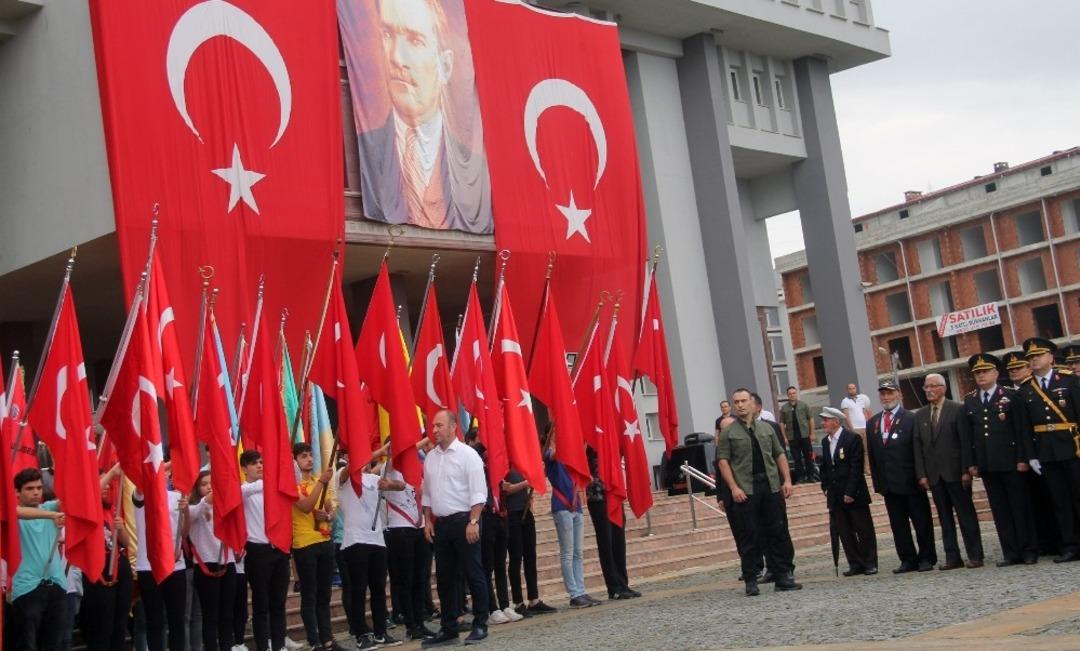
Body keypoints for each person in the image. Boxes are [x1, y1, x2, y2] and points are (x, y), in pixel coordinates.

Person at [358, 0, 492, 232]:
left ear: (446, 65)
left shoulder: (476, 172)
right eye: (387, 35)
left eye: (415, 41)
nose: (397, 58)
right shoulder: (365, 146)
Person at [716, 388, 800, 596]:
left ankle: (783, 576)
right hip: (746, 489)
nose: (740, 405)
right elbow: (723, 461)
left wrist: (787, 480)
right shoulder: (728, 432)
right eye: (737, 402)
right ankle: (751, 579)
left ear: (753, 403)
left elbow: (779, 454)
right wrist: (733, 487)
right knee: (749, 535)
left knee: (778, 532)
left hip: (770, 487)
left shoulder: (767, 428)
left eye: (744, 401)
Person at [421, 409, 490, 646]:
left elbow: (479, 491)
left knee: (473, 573)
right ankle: (449, 628)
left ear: (453, 427)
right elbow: (428, 494)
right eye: (433, 426)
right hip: (442, 525)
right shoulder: (430, 458)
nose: (435, 430)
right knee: (444, 578)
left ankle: (481, 624)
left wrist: (473, 521)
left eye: (439, 425)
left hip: (464, 521)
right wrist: (428, 520)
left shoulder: (468, 455)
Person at [963, 354, 1038, 566]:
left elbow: (1021, 430)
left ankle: (1028, 550)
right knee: (1000, 510)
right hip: (987, 464)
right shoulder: (970, 400)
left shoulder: (1010, 396)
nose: (981, 376)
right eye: (977, 373)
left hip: (1012, 462)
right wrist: (972, 463)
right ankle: (1010, 552)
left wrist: (1023, 457)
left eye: (985, 371)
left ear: (996, 373)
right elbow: (969, 436)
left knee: (1020, 507)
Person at [1014, 337, 1080, 563]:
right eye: (1030, 357)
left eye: (1038, 356)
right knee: (1059, 501)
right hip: (1045, 451)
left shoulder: (1070, 381)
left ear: (1051, 357)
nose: (1034, 360)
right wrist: (1030, 455)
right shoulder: (1025, 390)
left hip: (1072, 447)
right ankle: (1070, 545)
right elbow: (1024, 428)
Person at [915, 373, 984, 569]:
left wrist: (965, 470)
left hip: (956, 473)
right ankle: (952, 557)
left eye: (933, 386)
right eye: (926, 387)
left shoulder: (957, 409)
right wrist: (922, 474)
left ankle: (975, 555)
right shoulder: (920, 415)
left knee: (966, 516)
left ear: (943, 388)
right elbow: (918, 446)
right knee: (945, 519)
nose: (929, 390)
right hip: (935, 475)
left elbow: (964, 441)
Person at [866, 380, 936, 573]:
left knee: (921, 522)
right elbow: (873, 456)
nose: (886, 397)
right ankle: (907, 559)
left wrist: (922, 476)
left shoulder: (911, 418)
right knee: (898, 526)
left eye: (890, 393)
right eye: (883, 394)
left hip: (911, 481)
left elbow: (920, 450)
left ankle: (926, 558)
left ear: (898, 394)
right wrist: (878, 483)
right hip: (889, 484)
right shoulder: (873, 422)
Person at [337, 447, 402, 650]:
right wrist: (380, 450)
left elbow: (401, 486)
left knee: (379, 589)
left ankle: (381, 632)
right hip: (355, 541)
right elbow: (352, 467)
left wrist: (389, 483)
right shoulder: (344, 477)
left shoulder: (373, 479)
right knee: (358, 590)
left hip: (377, 540)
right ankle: (360, 633)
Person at [1003, 349, 1063, 556]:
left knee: (1054, 498)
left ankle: (1060, 540)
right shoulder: (1013, 394)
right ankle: (1043, 541)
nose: (1014, 371)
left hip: (1049, 451)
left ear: (1029, 368)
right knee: (1033, 503)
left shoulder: (1039, 388)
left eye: (1019, 367)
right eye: (1010, 369)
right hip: (1025, 456)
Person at [10, 468, 68, 650]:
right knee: (26, 645)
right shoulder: (12, 513)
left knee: (53, 645)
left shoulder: (48, 507)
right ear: (17, 492)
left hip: (56, 586)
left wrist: (113, 473)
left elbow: (85, 494)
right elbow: (16, 513)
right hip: (27, 589)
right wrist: (52, 516)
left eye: (39, 487)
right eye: (29, 488)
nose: (36, 492)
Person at [541, 429, 600, 609]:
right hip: (561, 506)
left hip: (576, 504)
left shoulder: (570, 453)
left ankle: (581, 590)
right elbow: (554, 455)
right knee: (567, 552)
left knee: (578, 552)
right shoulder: (548, 453)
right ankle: (574, 594)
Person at [289, 443, 340, 651]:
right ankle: (314, 640)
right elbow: (306, 505)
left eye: (310, 455)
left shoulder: (317, 481)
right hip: (304, 544)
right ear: (295, 461)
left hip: (324, 540)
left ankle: (327, 639)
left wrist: (327, 515)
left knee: (324, 594)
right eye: (303, 456)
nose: (309, 459)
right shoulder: (292, 484)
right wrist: (322, 481)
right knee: (310, 594)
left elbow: (331, 510)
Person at [240, 450, 290, 651]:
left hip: (278, 548)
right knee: (262, 603)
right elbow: (240, 493)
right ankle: (263, 646)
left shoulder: (271, 487)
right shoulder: (243, 489)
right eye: (254, 463)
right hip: (257, 550)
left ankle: (279, 645)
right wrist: (271, 480)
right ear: (244, 468)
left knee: (278, 602)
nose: (259, 466)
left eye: (261, 462)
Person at [80, 465, 134, 651]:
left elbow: (126, 543)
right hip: (98, 571)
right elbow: (89, 497)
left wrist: (120, 529)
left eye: (107, 483)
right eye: (100, 483)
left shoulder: (111, 509)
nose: (105, 487)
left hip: (119, 568)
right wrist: (111, 473)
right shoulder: (86, 508)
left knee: (119, 625)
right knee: (101, 627)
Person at [818, 407, 877, 576]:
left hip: (854, 494)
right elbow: (825, 467)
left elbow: (856, 467)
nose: (823, 423)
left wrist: (850, 492)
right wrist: (825, 487)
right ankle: (855, 563)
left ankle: (870, 562)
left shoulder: (852, 438)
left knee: (863, 529)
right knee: (844, 530)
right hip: (835, 495)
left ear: (836, 421)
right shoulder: (825, 441)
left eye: (826, 420)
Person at [135, 469, 189, 651]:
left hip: (176, 566)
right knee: (155, 621)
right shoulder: (141, 496)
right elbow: (140, 487)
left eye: (165, 471)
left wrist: (186, 511)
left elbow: (185, 532)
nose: (162, 473)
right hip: (149, 567)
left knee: (177, 620)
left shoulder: (176, 497)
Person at [187, 470, 238, 651]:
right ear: (196, 488)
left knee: (227, 614)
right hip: (206, 564)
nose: (209, 486)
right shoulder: (193, 508)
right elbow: (196, 511)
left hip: (227, 562)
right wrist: (208, 499)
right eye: (204, 484)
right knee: (211, 615)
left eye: (211, 483)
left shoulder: (223, 505)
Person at [585, 448, 639, 601]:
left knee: (618, 539)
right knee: (606, 542)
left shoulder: (608, 435)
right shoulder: (588, 439)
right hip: (597, 495)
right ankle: (613, 587)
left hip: (614, 493)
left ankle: (623, 583)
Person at [502, 470, 552, 618]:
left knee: (531, 556)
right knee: (516, 557)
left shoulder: (522, 464)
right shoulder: (505, 464)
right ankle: (518, 602)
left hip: (525, 512)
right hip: (512, 514)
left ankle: (534, 599)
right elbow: (505, 489)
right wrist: (526, 483)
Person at [779, 386, 815, 483]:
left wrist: (812, 433)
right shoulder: (784, 408)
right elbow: (782, 423)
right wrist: (784, 437)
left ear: (796, 394)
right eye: (790, 394)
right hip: (792, 437)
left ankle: (811, 476)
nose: (792, 395)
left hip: (805, 435)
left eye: (794, 393)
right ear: (787, 395)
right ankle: (800, 478)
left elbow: (811, 418)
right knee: (796, 458)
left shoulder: (804, 405)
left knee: (808, 456)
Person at [841, 383, 872, 449]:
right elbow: (846, 417)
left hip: (864, 428)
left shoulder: (861, 399)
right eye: (850, 389)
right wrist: (852, 429)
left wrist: (868, 426)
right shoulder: (845, 401)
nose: (852, 390)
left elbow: (864, 414)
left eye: (853, 388)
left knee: (867, 449)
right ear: (847, 390)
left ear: (856, 389)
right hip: (855, 428)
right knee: (858, 449)